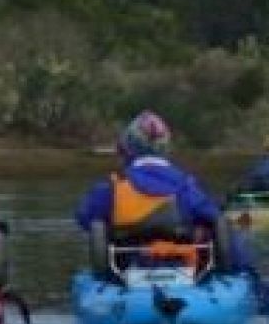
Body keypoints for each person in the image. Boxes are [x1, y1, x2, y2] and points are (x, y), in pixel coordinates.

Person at [75, 111, 249, 271]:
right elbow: (216, 218)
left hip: (126, 272)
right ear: (165, 147)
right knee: (215, 228)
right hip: (182, 268)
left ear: (127, 148)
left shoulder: (111, 187)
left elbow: (84, 218)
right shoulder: (186, 185)